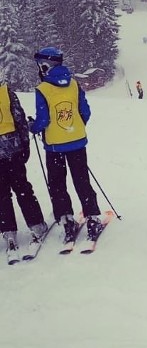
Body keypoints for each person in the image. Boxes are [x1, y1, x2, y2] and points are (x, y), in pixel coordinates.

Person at [30, 47, 104, 244]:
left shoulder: (43, 89)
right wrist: (75, 128)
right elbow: (85, 112)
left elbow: (43, 120)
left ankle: (67, 219)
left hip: (54, 146)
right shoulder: (74, 84)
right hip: (77, 142)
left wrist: (33, 127)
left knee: (57, 183)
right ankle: (93, 217)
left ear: (46, 65)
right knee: (81, 180)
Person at [0, 80, 49, 259]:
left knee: (2, 194)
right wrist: (25, 144)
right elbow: (19, 119)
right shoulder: (6, 92)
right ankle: (36, 225)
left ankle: (9, 231)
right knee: (22, 189)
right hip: (13, 149)